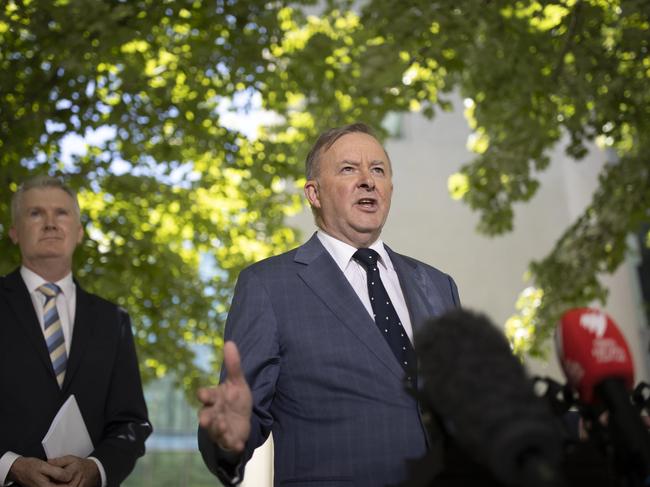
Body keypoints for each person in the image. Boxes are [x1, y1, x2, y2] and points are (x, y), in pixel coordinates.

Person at [197, 123, 460, 487]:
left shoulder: (437, 285)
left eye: (378, 170)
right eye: (349, 169)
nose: (368, 180)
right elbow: (237, 420)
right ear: (314, 194)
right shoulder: (268, 286)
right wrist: (227, 437)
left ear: (389, 190)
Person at [0, 176, 152, 487]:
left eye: (62, 213)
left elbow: (132, 423)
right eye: (35, 213)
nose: (51, 223)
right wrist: (10, 465)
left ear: (79, 232)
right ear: (14, 232)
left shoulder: (113, 319)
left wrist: (96, 467)